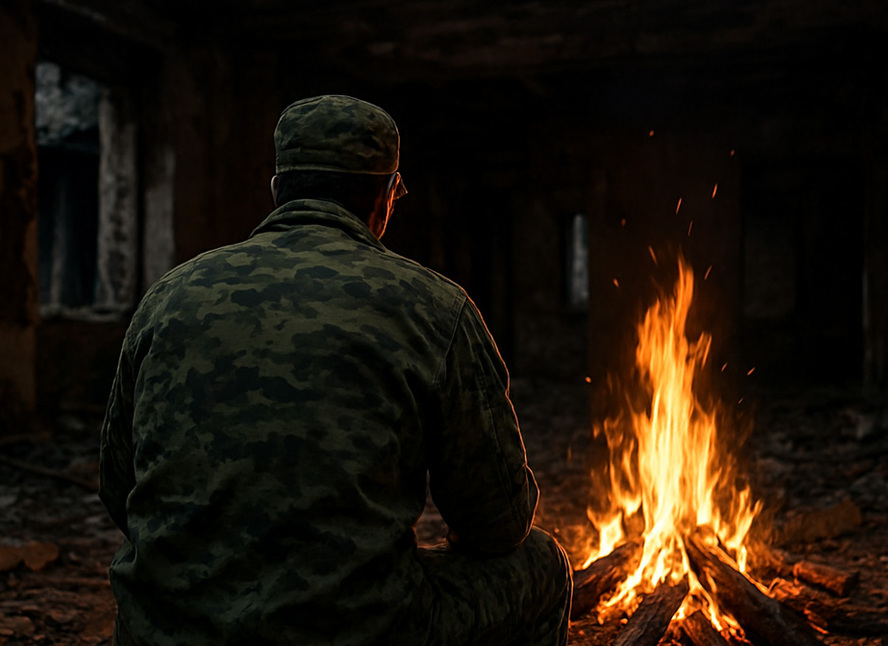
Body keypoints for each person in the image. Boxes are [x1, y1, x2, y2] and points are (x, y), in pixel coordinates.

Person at [99, 94, 572, 645]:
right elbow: (499, 524)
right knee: (541, 563)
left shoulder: (168, 297)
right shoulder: (433, 307)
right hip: (353, 630)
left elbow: (118, 487)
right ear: (385, 197)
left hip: (166, 631)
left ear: (277, 190)